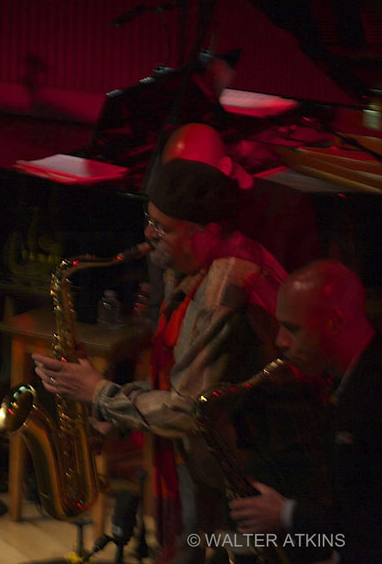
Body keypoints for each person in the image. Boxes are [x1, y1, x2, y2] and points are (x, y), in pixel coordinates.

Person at [32, 147, 289, 564]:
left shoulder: (224, 289)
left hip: (253, 464)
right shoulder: (194, 263)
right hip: (213, 451)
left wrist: (100, 393)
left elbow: (191, 410)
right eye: (148, 220)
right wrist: (111, 408)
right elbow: (185, 374)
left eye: (162, 227)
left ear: (207, 230)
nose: (149, 234)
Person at [228, 260, 382, 563]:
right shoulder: (354, 376)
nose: (279, 341)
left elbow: (370, 522)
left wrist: (285, 513)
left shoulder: (372, 396)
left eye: (292, 329)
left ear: (335, 322)